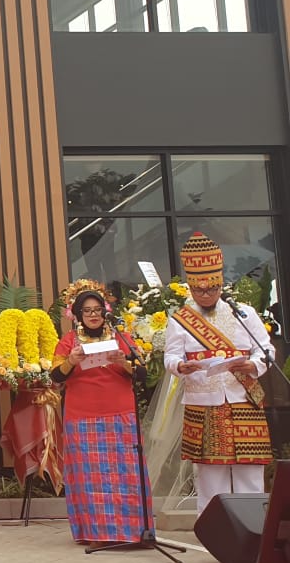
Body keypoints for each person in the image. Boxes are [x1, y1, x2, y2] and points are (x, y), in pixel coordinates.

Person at [162, 232, 273, 515]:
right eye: (199, 291)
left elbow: (266, 350)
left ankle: (254, 529)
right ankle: (214, 531)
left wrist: (253, 365)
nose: (205, 295)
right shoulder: (181, 320)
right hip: (204, 403)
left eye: (211, 290)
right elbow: (170, 356)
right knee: (211, 476)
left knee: (250, 471)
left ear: (220, 284)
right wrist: (180, 367)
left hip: (244, 399)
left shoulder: (244, 313)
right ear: (190, 288)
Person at [48, 282, 151, 547]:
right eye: (87, 311)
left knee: (125, 475)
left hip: (121, 415)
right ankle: (96, 533)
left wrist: (122, 362)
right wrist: (72, 361)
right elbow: (56, 376)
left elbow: (142, 373)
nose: (93, 315)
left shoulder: (121, 337)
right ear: (78, 315)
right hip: (82, 417)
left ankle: (133, 532)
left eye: (97, 310)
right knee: (91, 477)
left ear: (105, 312)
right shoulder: (69, 341)